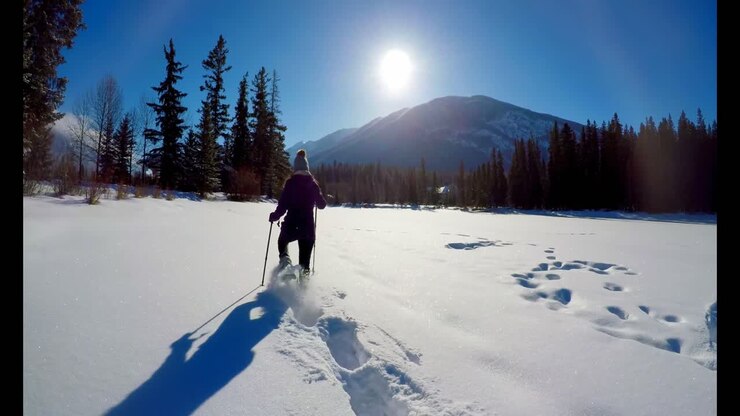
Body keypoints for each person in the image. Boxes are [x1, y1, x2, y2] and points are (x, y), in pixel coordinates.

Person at [269, 149, 327, 275]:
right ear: (307, 168)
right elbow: (322, 205)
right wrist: (319, 197)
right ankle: (303, 288)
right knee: (305, 264)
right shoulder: (313, 184)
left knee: (282, 242)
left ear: (295, 168)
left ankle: (286, 266)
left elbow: (282, 205)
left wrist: (275, 216)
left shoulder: (290, 183)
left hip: (292, 225)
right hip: (308, 228)